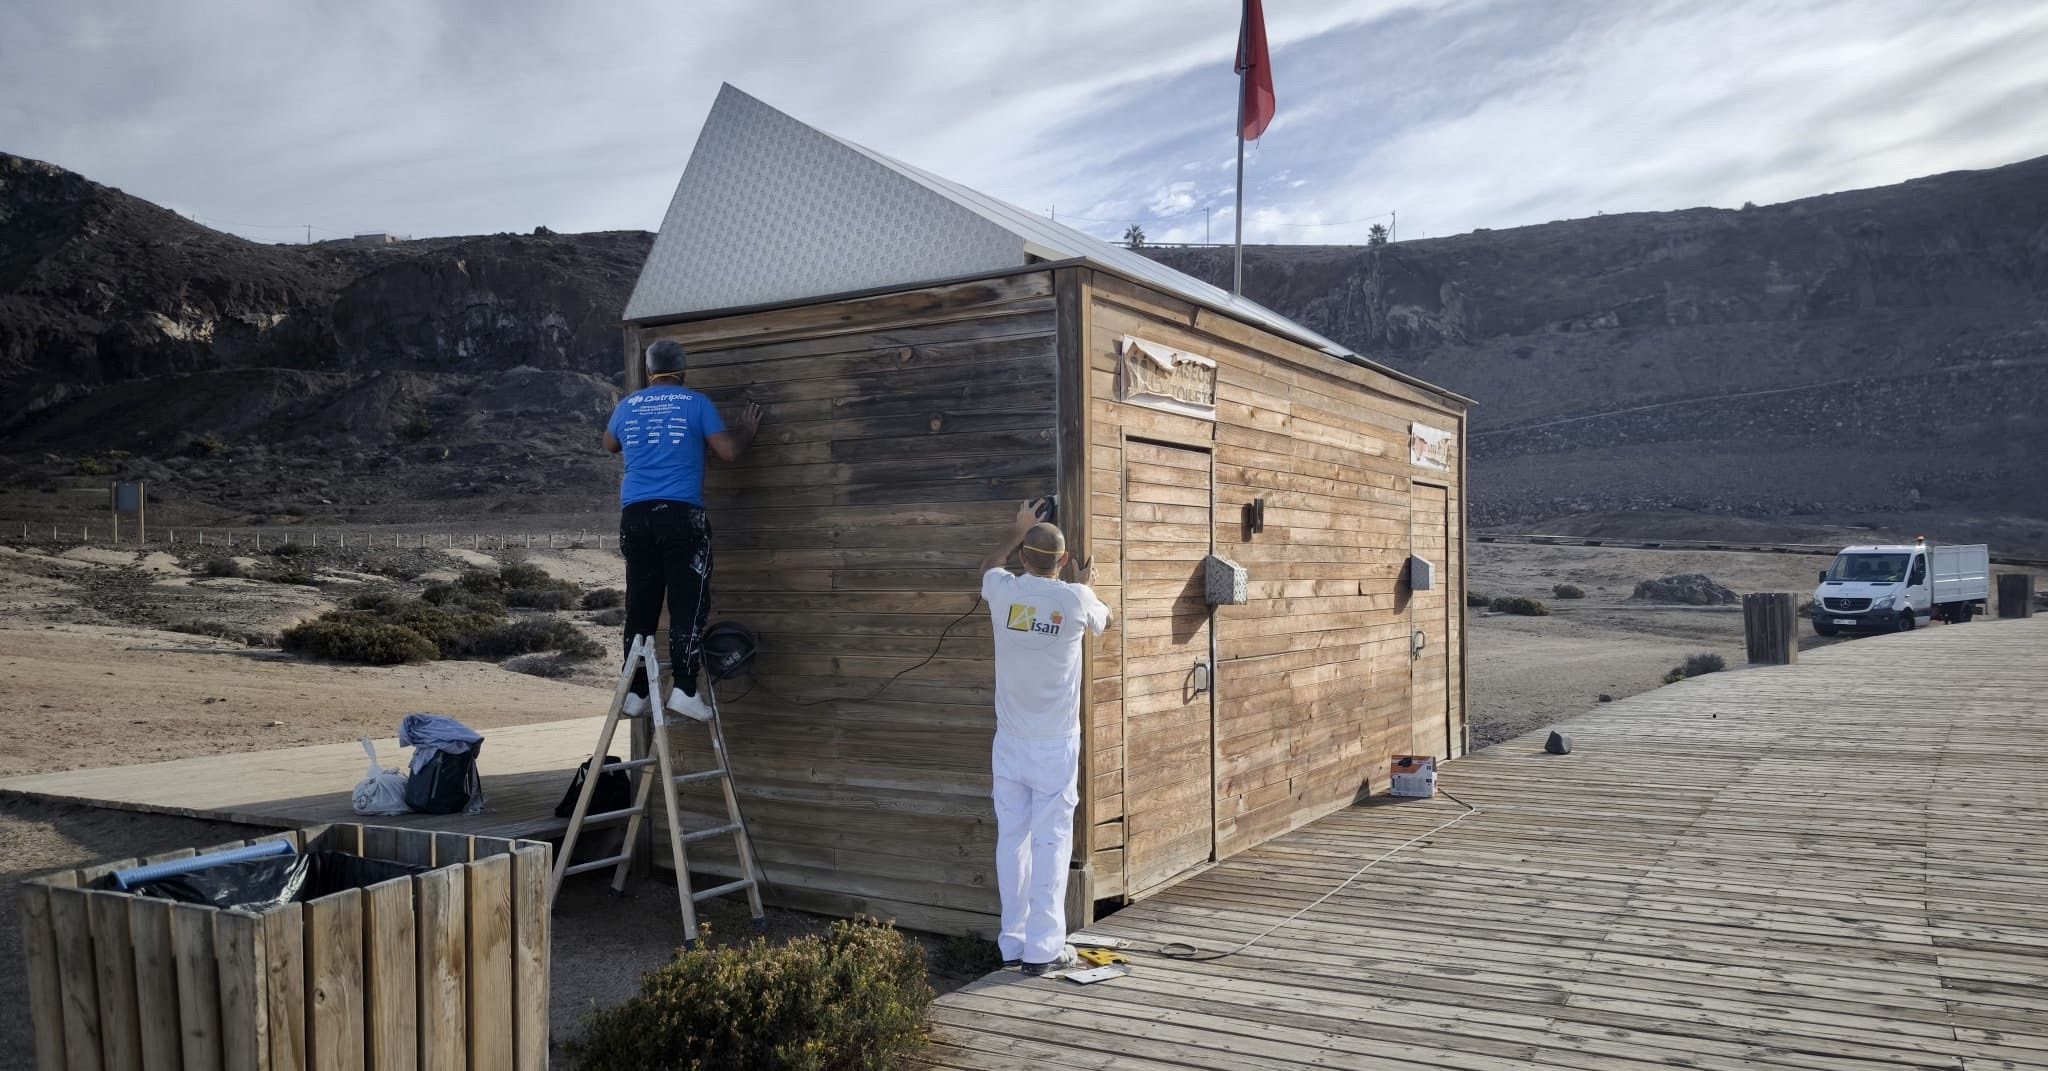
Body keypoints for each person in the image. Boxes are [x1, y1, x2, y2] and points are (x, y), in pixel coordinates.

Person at [977, 498, 1111, 975]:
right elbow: (1106, 621)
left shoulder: (1003, 590)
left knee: (1011, 839)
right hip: (1055, 744)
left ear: (1022, 558)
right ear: (1067, 559)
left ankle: (1012, 941)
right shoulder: (1075, 599)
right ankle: (1044, 946)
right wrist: (1084, 588)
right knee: (1051, 840)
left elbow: (987, 565)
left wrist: (1017, 530)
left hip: (1009, 742)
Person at [603, 339, 761, 721]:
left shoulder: (628, 406)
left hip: (635, 516)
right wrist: (745, 431)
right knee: (687, 603)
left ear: (648, 371)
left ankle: (636, 692)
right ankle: (686, 690)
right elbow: (728, 452)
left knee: (641, 604)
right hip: (680, 514)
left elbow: (609, 443)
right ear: (683, 370)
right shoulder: (696, 403)